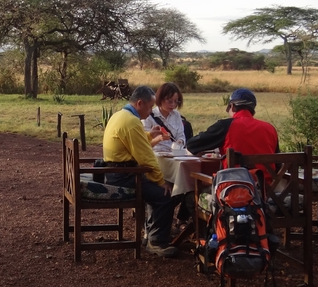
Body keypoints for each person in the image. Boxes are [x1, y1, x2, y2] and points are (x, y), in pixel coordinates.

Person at [103, 85, 178, 257]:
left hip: (117, 173)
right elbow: (145, 157)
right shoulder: (132, 122)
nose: (151, 111)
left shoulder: (120, 115)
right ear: (139, 103)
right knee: (165, 195)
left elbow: (133, 141)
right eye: (150, 106)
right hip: (124, 177)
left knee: (157, 190)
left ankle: (151, 234)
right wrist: (161, 181)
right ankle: (157, 242)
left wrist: (149, 135)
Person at [186, 87, 279, 179]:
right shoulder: (270, 129)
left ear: (232, 106)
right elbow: (278, 164)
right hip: (267, 189)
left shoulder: (226, 125)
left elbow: (192, 145)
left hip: (235, 188)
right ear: (253, 109)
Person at [141, 82, 196, 224]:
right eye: (169, 101)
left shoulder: (176, 115)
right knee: (174, 185)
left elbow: (181, 136)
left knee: (190, 182)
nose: (172, 105)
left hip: (175, 154)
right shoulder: (149, 115)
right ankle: (156, 222)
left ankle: (178, 218)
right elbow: (144, 145)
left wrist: (179, 143)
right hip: (156, 155)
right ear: (160, 99)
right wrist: (159, 139)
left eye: (176, 101)